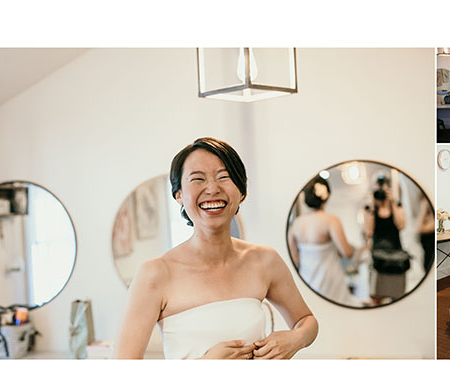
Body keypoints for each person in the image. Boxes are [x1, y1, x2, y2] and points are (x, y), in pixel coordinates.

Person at [116, 138, 318, 359]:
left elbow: (307, 321)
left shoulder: (264, 260)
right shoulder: (155, 274)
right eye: (198, 179)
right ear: (179, 195)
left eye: (224, 177)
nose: (212, 189)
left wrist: (295, 339)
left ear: (241, 192)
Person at [288, 175, 359, 307]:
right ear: (326, 197)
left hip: (306, 280)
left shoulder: (296, 224)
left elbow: (295, 259)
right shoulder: (331, 220)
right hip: (330, 280)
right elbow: (347, 252)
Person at [364, 176, 407, 305]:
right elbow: (369, 232)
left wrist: (392, 202)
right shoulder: (370, 210)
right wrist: (372, 206)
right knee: (375, 296)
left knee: (397, 296)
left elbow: (401, 225)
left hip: (396, 256)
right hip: (377, 258)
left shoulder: (398, 206)